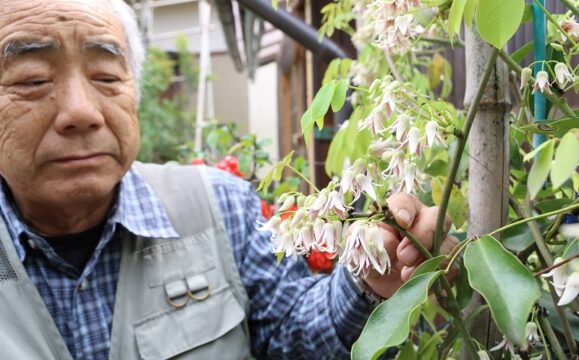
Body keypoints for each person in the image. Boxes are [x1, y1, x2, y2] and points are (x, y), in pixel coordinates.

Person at [0, 0, 458, 359]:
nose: (81, 111)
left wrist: (369, 283)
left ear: (133, 91)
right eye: (32, 79)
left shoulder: (218, 207)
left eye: (105, 76)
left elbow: (294, 336)